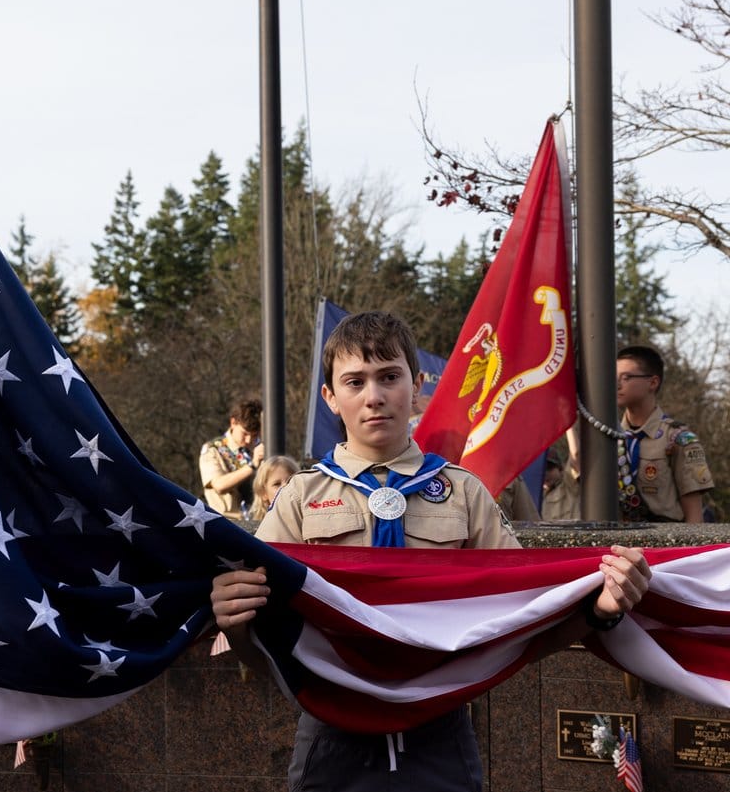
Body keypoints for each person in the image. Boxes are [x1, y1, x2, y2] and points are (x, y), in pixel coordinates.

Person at [211, 312, 651, 791]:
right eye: (354, 382)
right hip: (331, 732)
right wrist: (234, 623)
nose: (374, 396)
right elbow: (264, 646)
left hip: (441, 732)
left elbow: (526, 620)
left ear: (417, 387)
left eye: (390, 377)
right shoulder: (299, 498)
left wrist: (601, 608)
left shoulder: (463, 493)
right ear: (330, 398)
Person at [616, 345, 713, 523]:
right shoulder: (610, 437)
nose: (617, 384)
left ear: (653, 382)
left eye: (626, 377)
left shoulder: (677, 438)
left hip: (665, 542)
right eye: (613, 377)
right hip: (617, 543)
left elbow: (694, 516)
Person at [199, 398, 265, 521]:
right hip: (228, 523)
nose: (249, 440)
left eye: (254, 435)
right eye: (245, 434)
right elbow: (219, 485)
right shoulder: (213, 449)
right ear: (233, 422)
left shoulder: (260, 449)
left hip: (259, 521)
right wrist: (252, 466)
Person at [248, 455, 298, 522]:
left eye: (290, 481)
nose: (285, 487)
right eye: (277, 484)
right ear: (264, 493)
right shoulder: (258, 528)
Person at [541, 447, 581, 521]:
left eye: (549, 468)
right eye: (542, 469)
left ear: (560, 469)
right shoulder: (534, 495)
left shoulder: (569, 486)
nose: (545, 473)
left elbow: (575, 455)